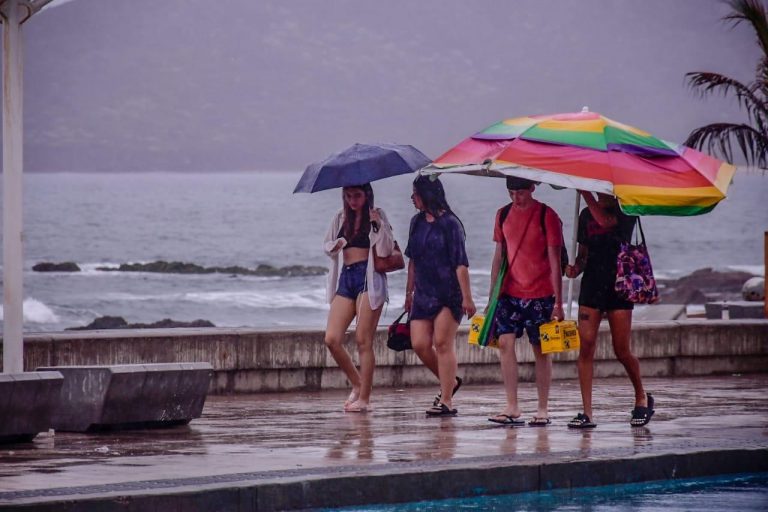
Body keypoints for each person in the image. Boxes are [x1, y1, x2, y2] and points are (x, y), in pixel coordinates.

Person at [565, 191, 654, 429]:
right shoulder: (585, 215)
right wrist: (575, 268)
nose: (599, 194)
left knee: (621, 349)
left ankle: (641, 396)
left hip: (620, 286)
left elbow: (606, 222)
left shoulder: (626, 211)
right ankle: (587, 412)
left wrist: (584, 194)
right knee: (586, 346)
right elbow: (583, 255)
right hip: (592, 286)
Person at [487, 176, 564, 427]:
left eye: (520, 192)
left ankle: (543, 408)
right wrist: (491, 296)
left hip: (541, 294)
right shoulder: (502, 214)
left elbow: (555, 261)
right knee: (505, 344)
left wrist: (559, 303)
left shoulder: (547, 215)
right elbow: (498, 256)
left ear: (532, 188)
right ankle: (512, 405)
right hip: (509, 292)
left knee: (540, 350)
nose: (515, 197)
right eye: (511, 192)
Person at [404, 175, 476, 416]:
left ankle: (446, 400)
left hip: (448, 292)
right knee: (420, 344)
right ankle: (451, 382)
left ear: (426, 194)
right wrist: (409, 292)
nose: (412, 199)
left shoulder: (450, 224)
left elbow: (460, 264)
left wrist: (467, 297)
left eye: (415, 194)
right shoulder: (416, 222)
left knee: (442, 343)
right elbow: (412, 260)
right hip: (423, 292)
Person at [323, 183, 396, 413]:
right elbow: (327, 247)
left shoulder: (378, 214)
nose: (353, 201)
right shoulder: (340, 217)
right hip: (346, 278)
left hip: (369, 277)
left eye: (357, 196)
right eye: (348, 196)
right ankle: (357, 383)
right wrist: (337, 245)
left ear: (367, 195)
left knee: (363, 339)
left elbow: (385, 250)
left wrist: (378, 226)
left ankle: (365, 398)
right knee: (332, 339)